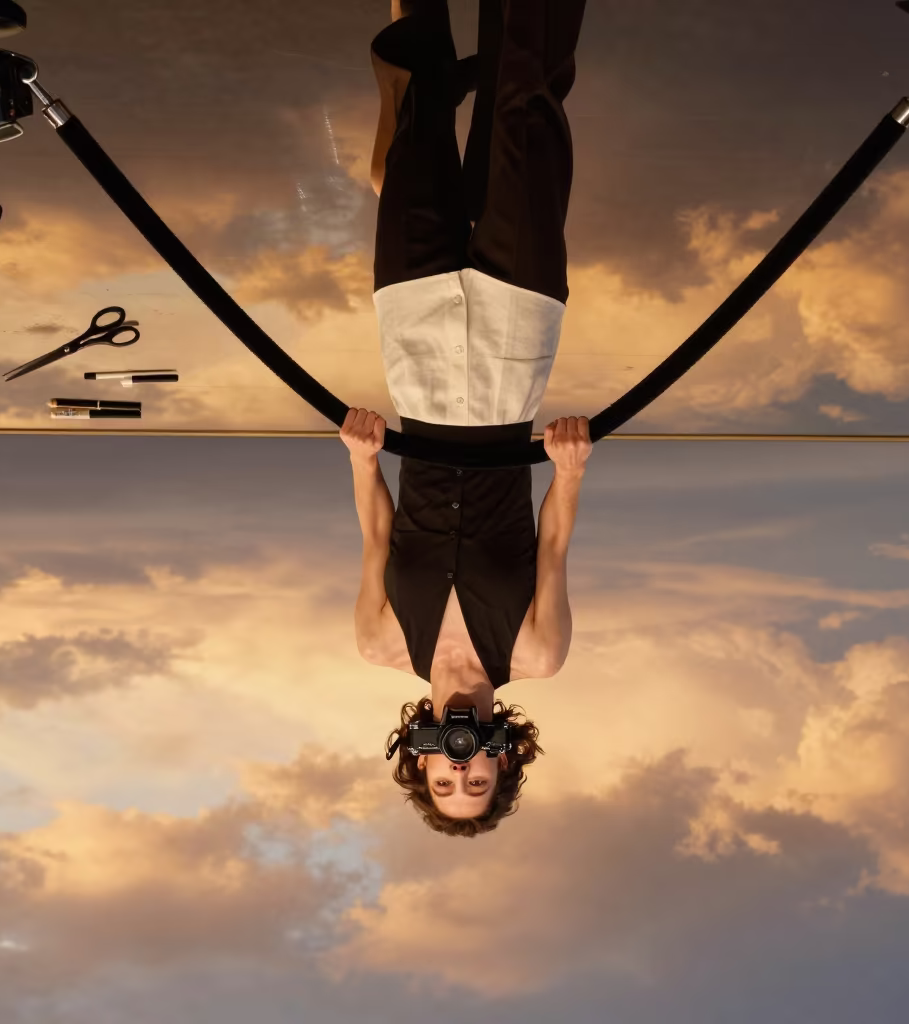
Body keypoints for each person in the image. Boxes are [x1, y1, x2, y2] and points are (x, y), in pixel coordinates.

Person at [340, 0, 591, 837]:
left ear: (418, 764)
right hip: (509, 374)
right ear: (503, 762)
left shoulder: (381, 644)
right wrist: (570, 471)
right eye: (476, 780)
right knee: (524, 121)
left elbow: (378, 537)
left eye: (446, 782)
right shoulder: (538, 655)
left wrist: (362, 460)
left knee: (418, 134)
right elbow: (552, 547)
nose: (460, 767)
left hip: (415, 371)